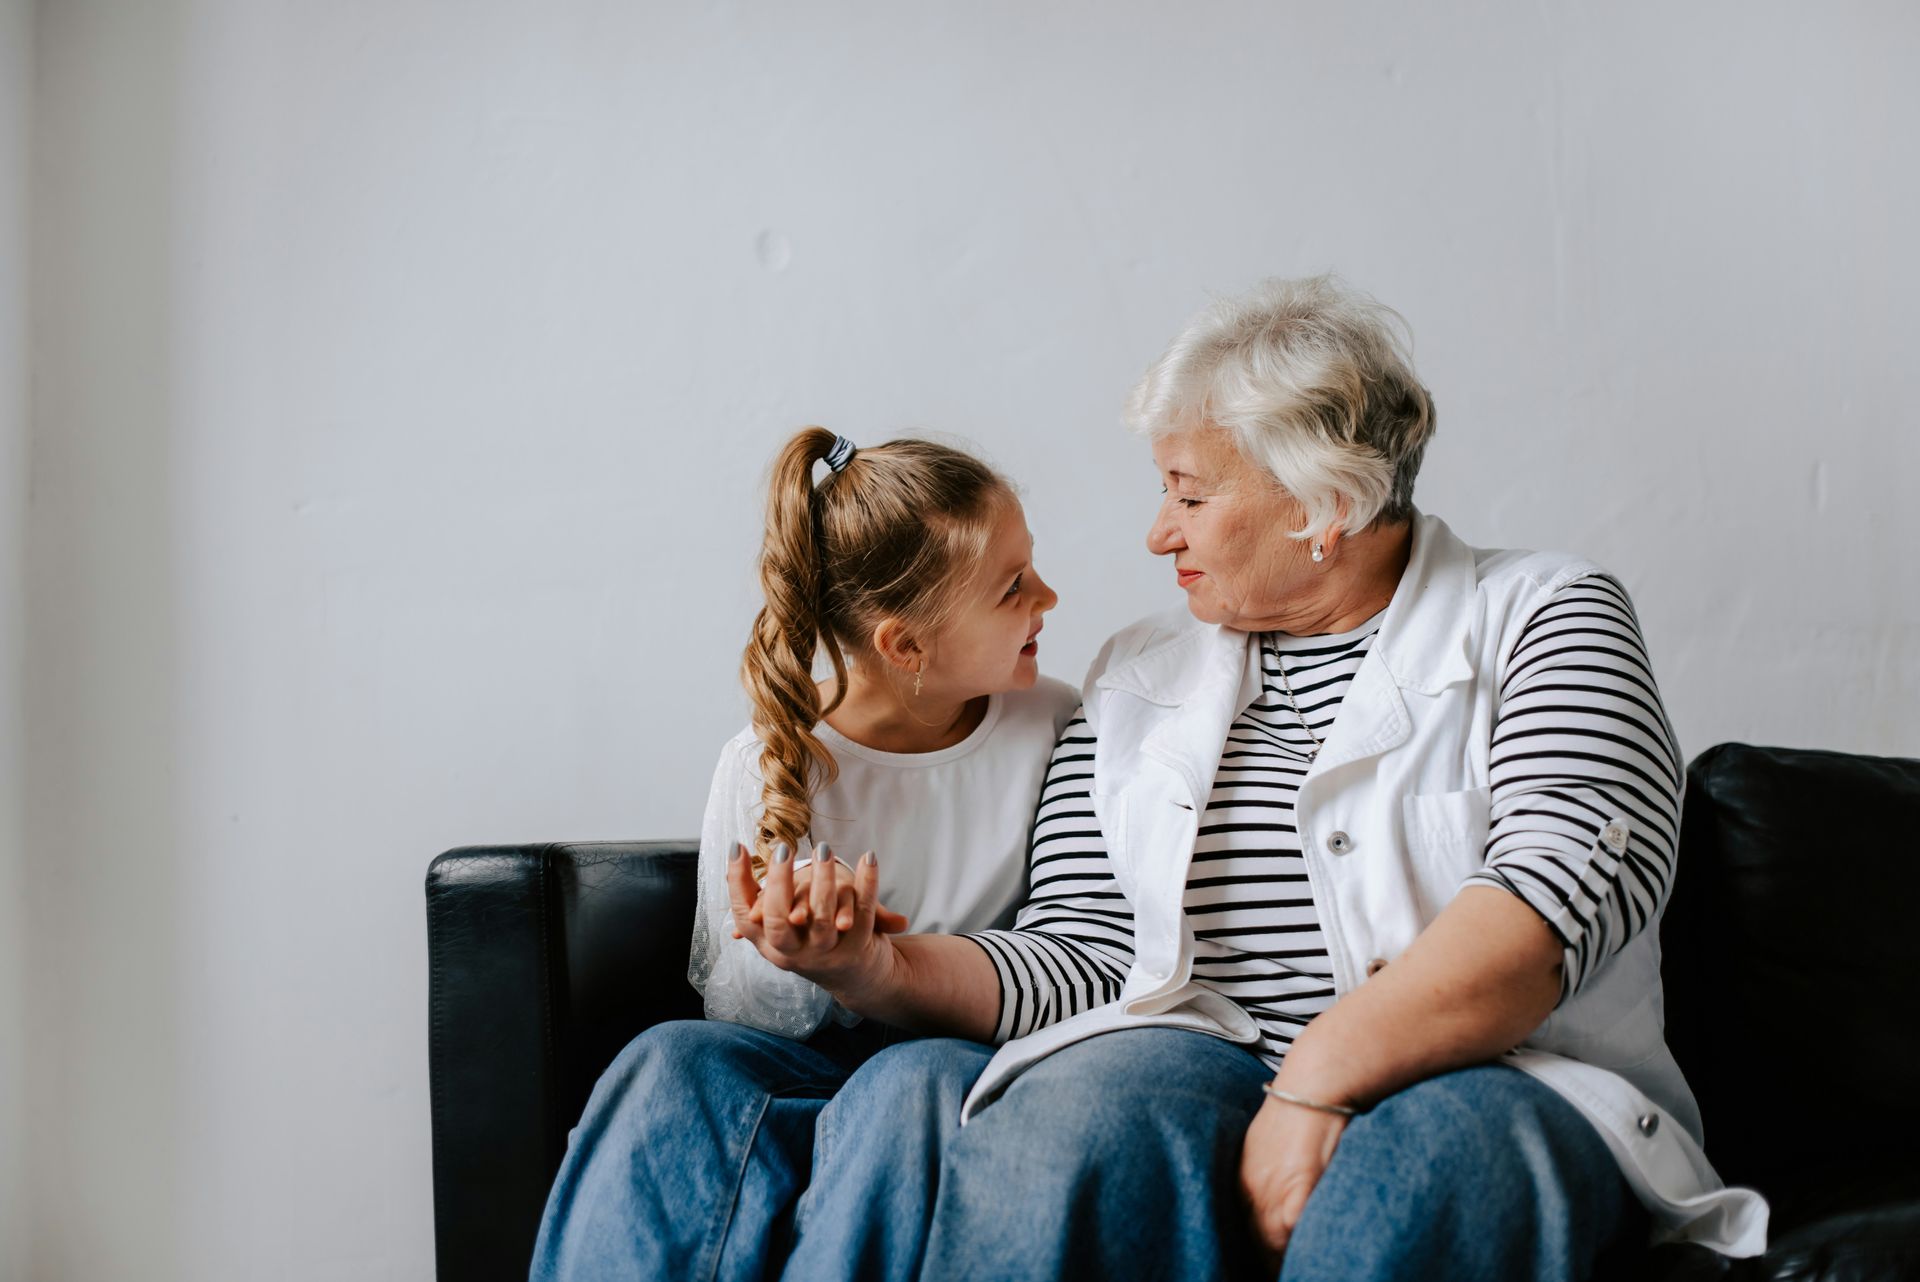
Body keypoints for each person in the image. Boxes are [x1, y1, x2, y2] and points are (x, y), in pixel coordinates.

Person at [723, 277, 1770, 1281]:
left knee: (1425, 1175)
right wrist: (880, 969)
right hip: (1195, 1060)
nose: (1157, 531)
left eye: (1189, 493)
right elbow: (1086, 957)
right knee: (1067, 1127)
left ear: (1323, 507)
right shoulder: (1137, 673)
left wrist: (1315, 1083)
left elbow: (1555, 898)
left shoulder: (1547, 614)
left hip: (1498, 1075)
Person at [528, 427, 1076, 1280]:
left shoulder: (1054, 725)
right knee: (670, 1057)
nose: (1049, 596)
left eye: (1031, 567)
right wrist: (802, 950)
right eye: (1013, 589)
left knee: (915, 1077)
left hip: (957, 1043)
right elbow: (742, 1008)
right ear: (906, 647)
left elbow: (1071, 932)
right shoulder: (770, 759)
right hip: (807, 1052)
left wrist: (893, 969)